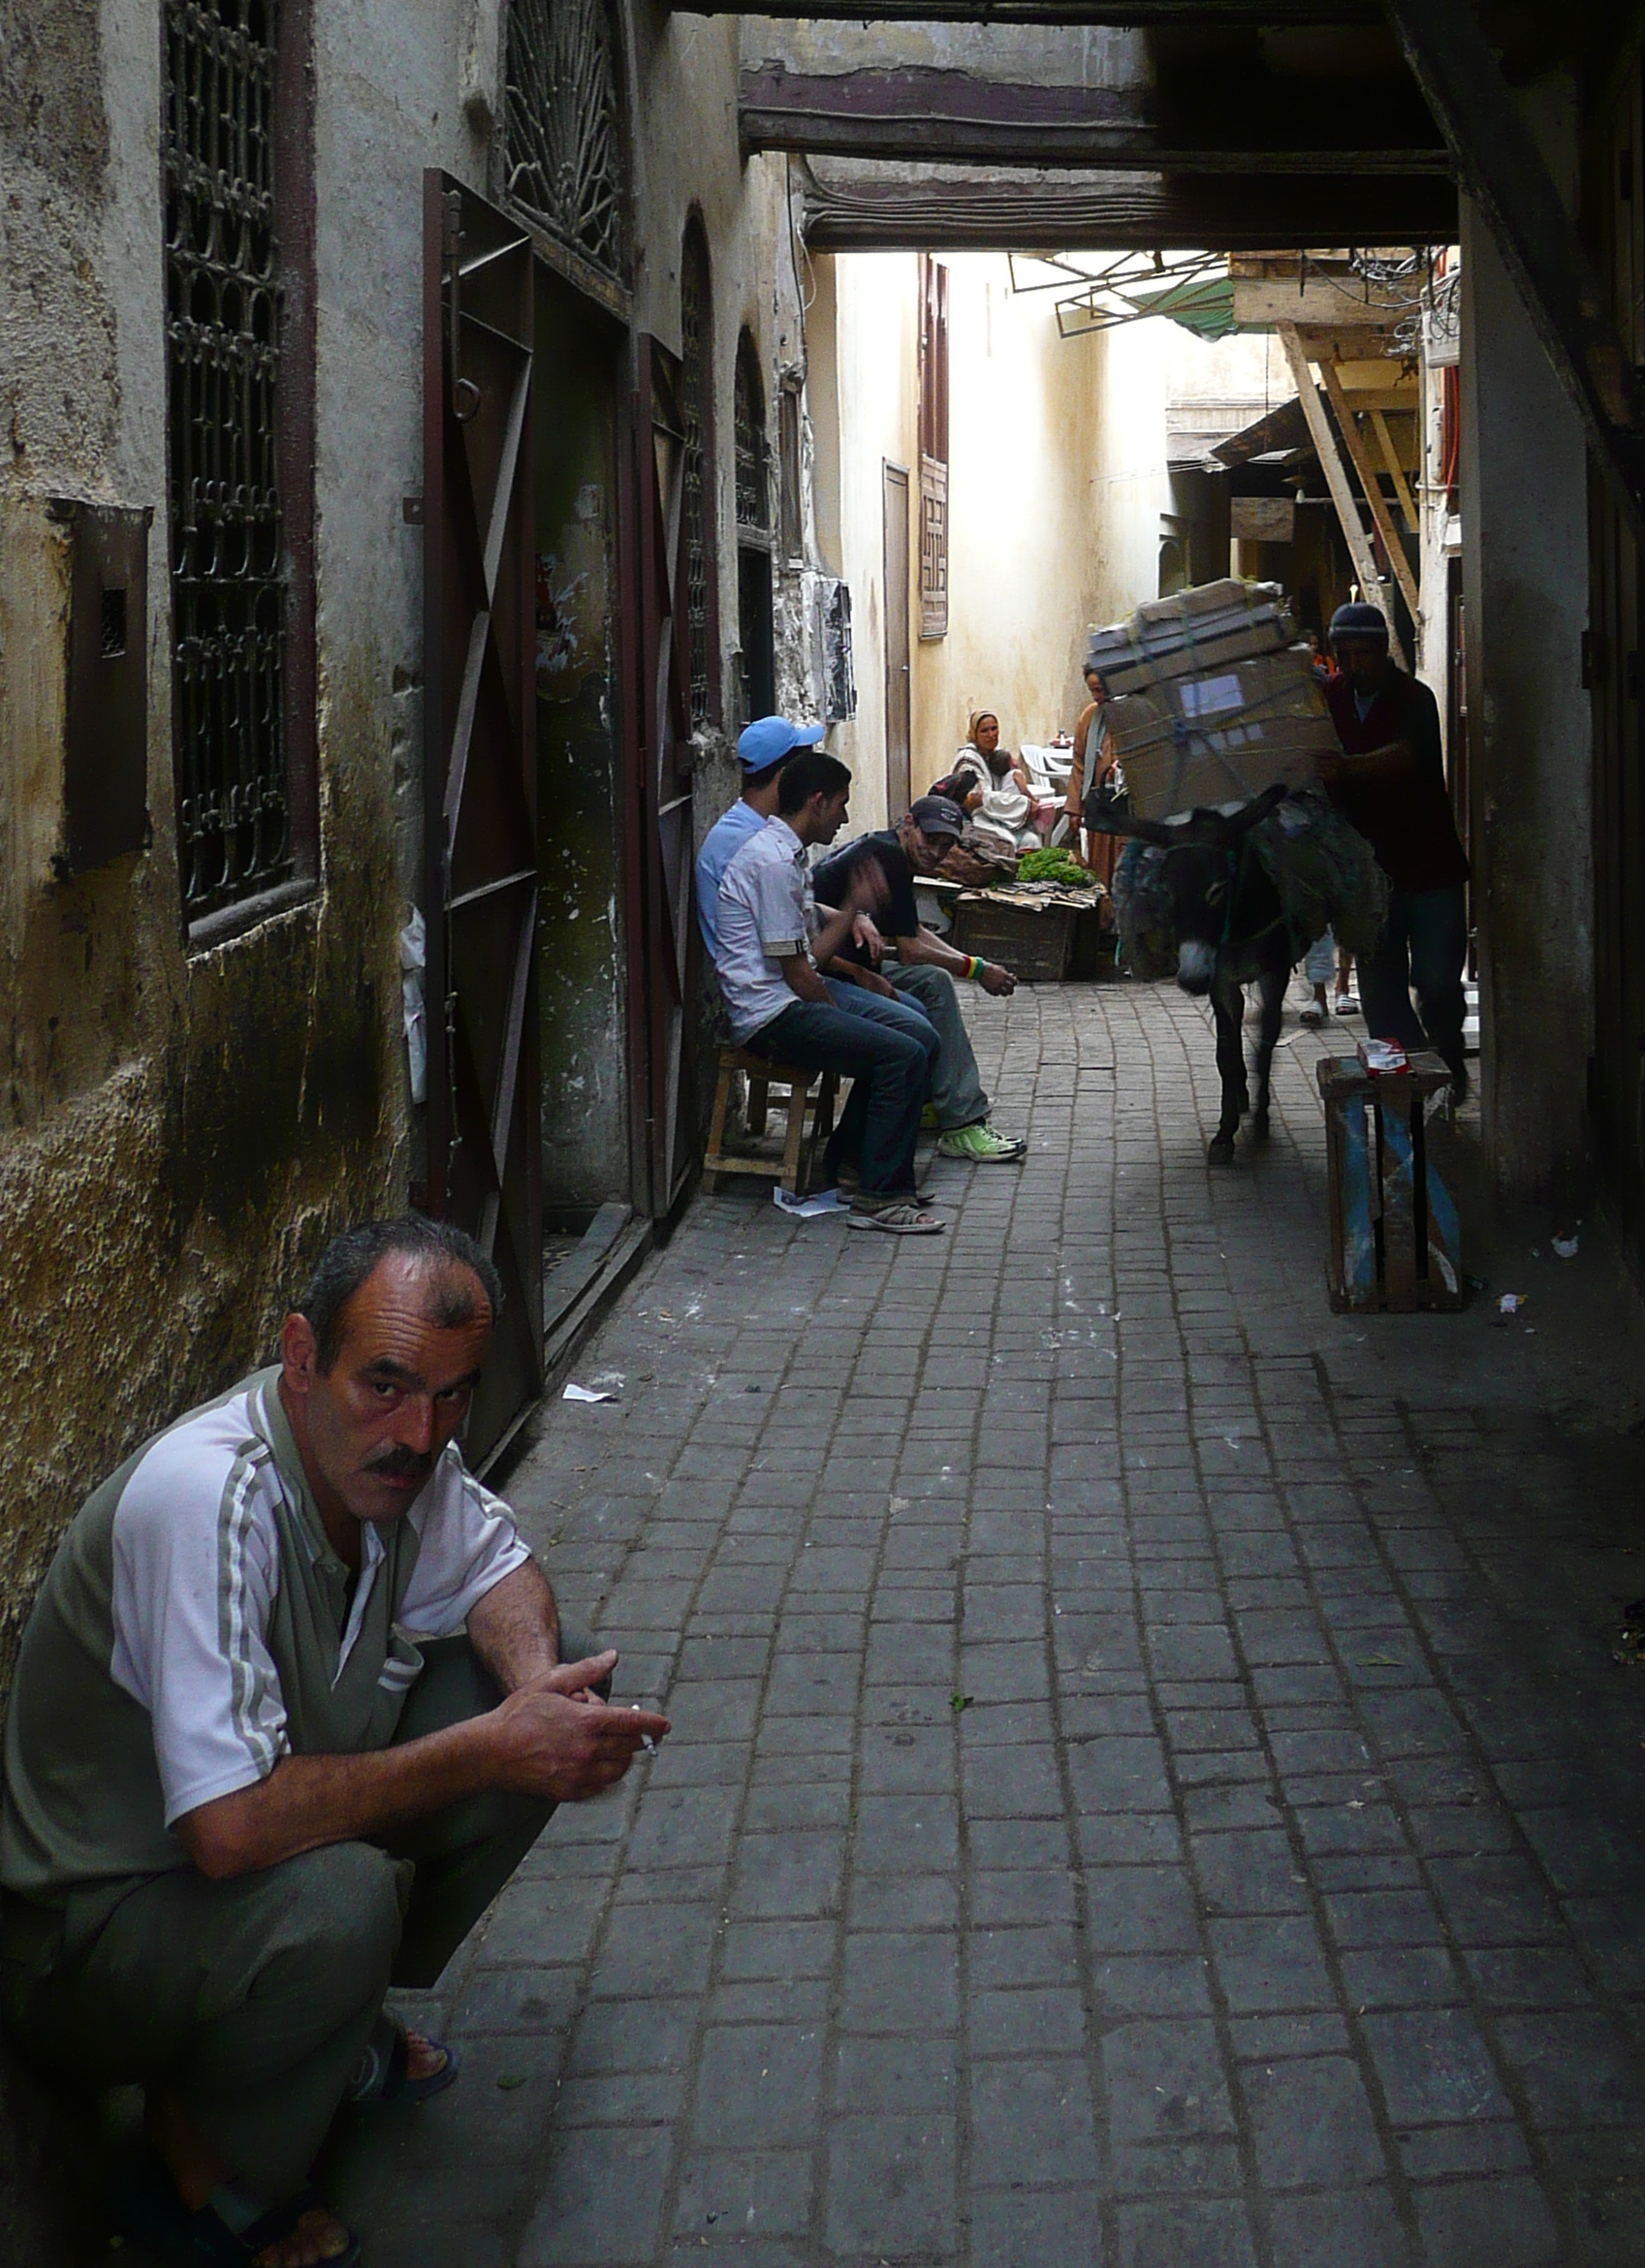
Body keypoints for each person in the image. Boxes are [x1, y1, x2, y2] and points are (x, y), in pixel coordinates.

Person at [0, 1213, 667, 2268]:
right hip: (86, 1937)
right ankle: (203, 2163)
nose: (421, 1431)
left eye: (453, 1395)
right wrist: (494, 1747)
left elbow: (497, 1569)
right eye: (388, 1385)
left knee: (549, 1675)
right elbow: (224, 1831)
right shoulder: (207, 1498)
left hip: (218, 1877)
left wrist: (539, 1694)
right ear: (302, 1357)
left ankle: (314, 2029)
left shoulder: (400, 1463)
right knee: (345, 1894)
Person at [711, 749, 935, 1230]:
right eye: (841, 804)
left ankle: (859, 1169)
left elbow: (809, 952)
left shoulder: (786, 855)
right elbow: (797, 973)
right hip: (770, 1016)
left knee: (913, 1039)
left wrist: (854, 906)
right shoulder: (770, 862)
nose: (845, 817)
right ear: (816, 803)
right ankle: (881, 1199)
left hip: (789, 998)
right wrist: (844, 1014)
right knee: (901, 1055)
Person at [814, 794, 1027, 1164]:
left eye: (945, 847)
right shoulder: (889, 856)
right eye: (931, 841)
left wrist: (975, 963)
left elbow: (907, 931)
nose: (936, 853)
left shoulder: (888, 847)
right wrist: (975, 970)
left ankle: (931, 1099)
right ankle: (961, 1122)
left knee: (930, 982)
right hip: (829, 974)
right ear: (909, 824)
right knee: (933, 984)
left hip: (848, 967)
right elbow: (911, 950)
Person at [1319, 598, 1471, 1100]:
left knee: (1437, 982)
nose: (1354, 664)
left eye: (1364, 653)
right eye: (1346, 654)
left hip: (1429, 869)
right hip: (1367, 877)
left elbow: (1404, 758)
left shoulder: (1415, 698)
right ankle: (1411, 1086)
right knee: (1381, 995)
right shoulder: (1329, 699)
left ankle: (1447, 1056)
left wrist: (1345, 767)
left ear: (1384, 650)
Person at [694, 712, 826, 955]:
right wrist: (852, 909)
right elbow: (791, 954)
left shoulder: (753, 828)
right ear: (786, 775)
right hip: (768, 982)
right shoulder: (748, 843)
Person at [946, 711, 1042, 857]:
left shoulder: (997, 755)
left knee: (1032, 840)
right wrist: (1024, 805)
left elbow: (1008, 783)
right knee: (1007, 841)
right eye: (984, 731)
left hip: (997, 816)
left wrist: (1022, 785)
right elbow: (980, 799)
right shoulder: (968, 761)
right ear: (974, 735)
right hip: (975, 818)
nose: (991, 734)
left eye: (994, 728)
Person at [1065, 667, 1124, 890]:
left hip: (1126, 809)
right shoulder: (1090, 716)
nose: (1097, 697)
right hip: (1098, 806)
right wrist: (1074, 808)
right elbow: (1079, 763)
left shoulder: (1132, 712)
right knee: (1098, 868)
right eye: (1093, 692)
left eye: (1100, 689)